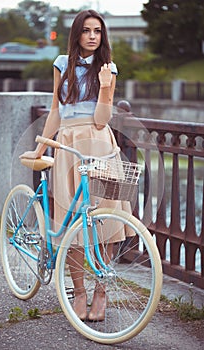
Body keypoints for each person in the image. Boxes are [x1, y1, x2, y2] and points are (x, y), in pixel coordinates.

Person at [20, 9, 134, 322]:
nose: (93, 36)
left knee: (107, 221)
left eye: (98, 30)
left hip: (99, 143)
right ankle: (79, 291)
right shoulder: (61, 64)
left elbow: (102, 119)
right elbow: (56, 111)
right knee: (71, 222)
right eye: (87, 30)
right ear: (77, 34)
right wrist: (41, 147)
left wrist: (106, 86)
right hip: (68, 145)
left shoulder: (108, 68)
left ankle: (101, 292)